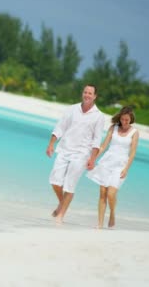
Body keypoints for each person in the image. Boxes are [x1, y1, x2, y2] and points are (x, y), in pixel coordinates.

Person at [46, 84, 105, 224]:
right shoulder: (72, 109)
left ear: (95, 96)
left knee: (69, 185)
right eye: (85, 92)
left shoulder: (99, 116)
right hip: (64, 149)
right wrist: (51, 144)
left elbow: (97, 140)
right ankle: (62, 203)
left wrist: (93, 159)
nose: (87, 95)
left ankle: (60, 216)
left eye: (90, 93)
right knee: (55, 181)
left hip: (81, 154)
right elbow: (60, 127)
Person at [87, 106, 139, 229]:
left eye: (127, 120)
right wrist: (93, 158)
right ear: (120, 118)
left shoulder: (134, 132)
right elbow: (104, 146)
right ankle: (99, 224)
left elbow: (132, 152)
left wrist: (126, 169)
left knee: (111, 194)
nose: (124, 122)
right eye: (123, 119)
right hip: (107, 162)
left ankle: (112, 214)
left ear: (131, 119)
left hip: (120, 166)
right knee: (102, 193)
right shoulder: (113, 128)